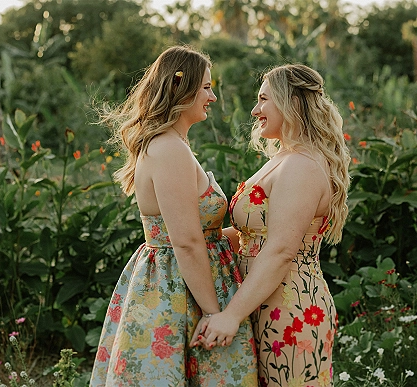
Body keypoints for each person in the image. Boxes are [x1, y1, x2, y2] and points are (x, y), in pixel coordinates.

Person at [89, 45, 257, 387]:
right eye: (207, 87)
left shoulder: (171, 145)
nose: (211, 96)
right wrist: (213, 313)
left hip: (186, 278)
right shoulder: (169, 148)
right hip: (180, 288)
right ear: (183, 88)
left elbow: (198, 234)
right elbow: (185, 240)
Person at [194, 64, 350, 387]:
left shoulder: (301, 166)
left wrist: (231, 315)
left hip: (289, 310)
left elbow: (279, 250)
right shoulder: (284, 157)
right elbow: (251, 236)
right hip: (261, 301)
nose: (255, 110)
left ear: (289, 102)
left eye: (264, 99)